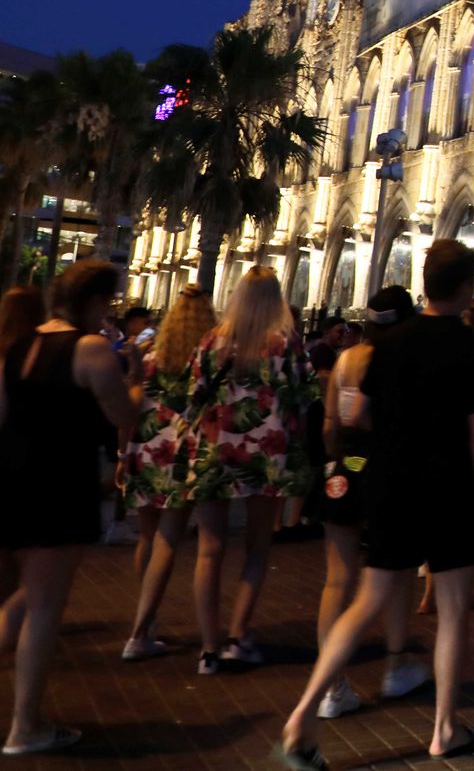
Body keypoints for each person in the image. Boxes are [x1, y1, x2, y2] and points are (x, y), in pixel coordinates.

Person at [277, 239, 474, 768]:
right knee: (453, 609)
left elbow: (358, 414)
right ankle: (445, 728)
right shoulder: (473, 349)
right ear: (466, 287)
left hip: (392, 483)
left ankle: (305, 710)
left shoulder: (389, 344)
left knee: (368, 597)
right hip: (450, 487)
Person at [1, 263, 142, 756]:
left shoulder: (18, 345)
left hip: (13, 481)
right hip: (58, 486)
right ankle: (26, 726)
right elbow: (123, 414)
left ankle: (27, 722)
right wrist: (136, 381)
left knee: (25, 596)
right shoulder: (90, 348)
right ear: (95, 301)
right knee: (44, 608)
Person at [179, 266, 317, 675]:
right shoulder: (285, 342)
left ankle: (208, 648)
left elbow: (192, 393)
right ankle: (239, 635)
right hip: (267, 453)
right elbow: (306, 395)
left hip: (215, 450)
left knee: (209, 550)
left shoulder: (213, 340)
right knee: (257, 547)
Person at [306, 287, 421, 719]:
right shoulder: (401, 361)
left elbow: (331, 425)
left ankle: (333, 687)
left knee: (338, 580)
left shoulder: (346, 359)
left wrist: (338, 463)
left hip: (344, 468)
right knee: (397, 572)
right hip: (387, 473)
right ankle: (396, 665)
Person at [120, 288, 212, 659]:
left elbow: (133, 401)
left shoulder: (151, 355)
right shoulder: (205, 358)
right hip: (181, 452)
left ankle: (148, 617)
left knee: (147, 536)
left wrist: (123, 453)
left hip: (146, 444)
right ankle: (140, 631)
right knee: (168, 539)